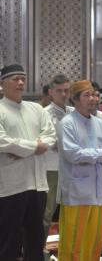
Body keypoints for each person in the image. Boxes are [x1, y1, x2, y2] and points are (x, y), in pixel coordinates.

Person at [56, 80, 102, 261]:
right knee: (74, 241)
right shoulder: (67, 123)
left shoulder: (101, 123)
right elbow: (73, 154)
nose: (93, 99)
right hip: (76, 193)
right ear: (75, 99)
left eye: (95, 94)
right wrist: (101, 154)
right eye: (87, 95)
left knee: (95, 241)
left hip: (99, 193)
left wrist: (98, 155)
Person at [0, 64, 56, 261]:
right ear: (2, 84)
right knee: (9, 238)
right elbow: (2, 141)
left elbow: (50, 135)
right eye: (15, 79)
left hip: (37, 184)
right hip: (11, 186)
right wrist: (34, 148)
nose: (21, 82)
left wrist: (22, 150)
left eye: (23, 78)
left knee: (35, 237)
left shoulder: (36, 109)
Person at [43, 74, 74, 246]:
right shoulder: (44, 113)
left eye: (66, 91)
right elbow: (51, 143)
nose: (64, 94)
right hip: (52, 168)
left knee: (70, 211)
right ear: (51, 92)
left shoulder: (73, 112)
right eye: (59, 91)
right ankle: (39, 250)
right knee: (48, 212)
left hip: (73, 168)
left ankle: (67, 247)